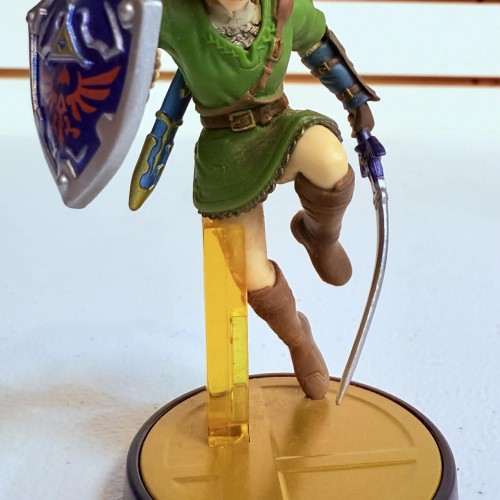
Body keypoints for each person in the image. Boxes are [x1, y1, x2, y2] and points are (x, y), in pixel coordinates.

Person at [158, 0, 379, 399]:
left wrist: (355, 101)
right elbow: (113, 34)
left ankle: (320, 236)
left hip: (280, 125)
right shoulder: (173, 15)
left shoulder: (280, 5)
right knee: (251, 274)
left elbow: (319, 48)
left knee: (330, 160)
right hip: (225, 151)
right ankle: (298, 339)